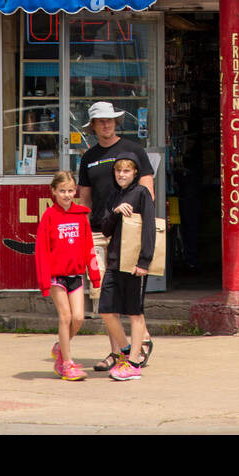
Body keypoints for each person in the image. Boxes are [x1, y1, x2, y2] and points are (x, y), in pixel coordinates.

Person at [77, 101, 155, 371]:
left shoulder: (133, 149)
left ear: (116, 122)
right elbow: (84, 199)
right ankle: (117, 351)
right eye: (100, 121)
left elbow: (148, 192)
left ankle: (139, 342)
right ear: (94, 126)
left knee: (129, 290)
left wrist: (144, 230)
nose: (106, 124)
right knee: (102, 295)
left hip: (129, 233)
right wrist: (81, 229)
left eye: (110, 120)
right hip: (99, 231)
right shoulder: (88, 157)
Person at [36, 170, 101, 380]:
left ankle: (60, 347)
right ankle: (66, 363)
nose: (66, 195)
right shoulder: (48, 217)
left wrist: (95, 274)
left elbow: (89, 246)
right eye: (62, 191)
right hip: (56, 277)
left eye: (70, 190)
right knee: (65, 317)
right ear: (53, 192)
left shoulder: (81, 215)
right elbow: (42, 251)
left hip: (76, 275)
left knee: (79, 318)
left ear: (76, 191)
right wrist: (44, 281)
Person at [99, 151, 155, 381]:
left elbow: (150, 227)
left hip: (134, 263)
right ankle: (125, 351)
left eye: (127, 170)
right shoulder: (113, 195)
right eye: (118, 170)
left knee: (134, 312)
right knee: (106, 310)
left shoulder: (142, 193)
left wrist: (144, 261)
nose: (122, 174)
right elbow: (105, 229)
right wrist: (115, 212)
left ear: (135, 173)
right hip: (114, 260)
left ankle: (133, 363)